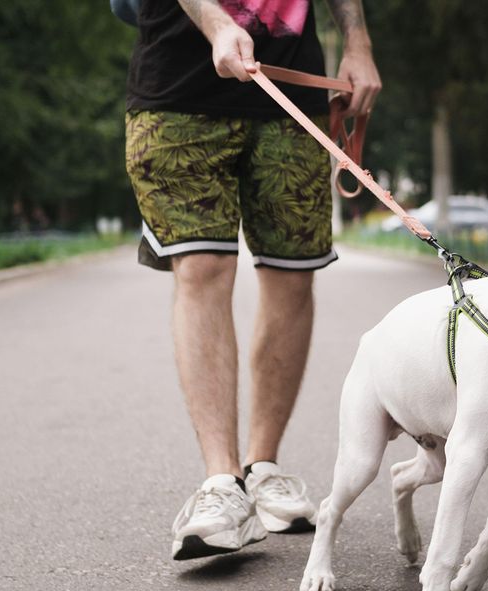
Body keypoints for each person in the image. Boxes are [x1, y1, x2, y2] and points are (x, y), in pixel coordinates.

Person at [123, 0, 381, 560]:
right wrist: (217, 24)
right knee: (203, 267)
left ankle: (261, 469)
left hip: (293, 93)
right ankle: (221, 484)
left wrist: (357, 43)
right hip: (178, 89)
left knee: (292, 276)